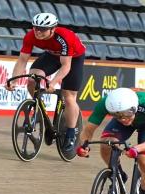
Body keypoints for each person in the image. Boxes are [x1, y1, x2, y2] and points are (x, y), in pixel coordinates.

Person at [5, 12, 86, 154]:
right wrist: (14, 80)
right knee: (32, 79)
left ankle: (71, 134)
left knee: (68, 96)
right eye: (35, 27)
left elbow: (66, 66)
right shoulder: (30, 35)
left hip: (73, 58)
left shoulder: (64, 37)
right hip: (51, 55)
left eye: (42, 29)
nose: (37, 31)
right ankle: (40, 110)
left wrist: (53, 83)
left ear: (53, 29)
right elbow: (22, 60)